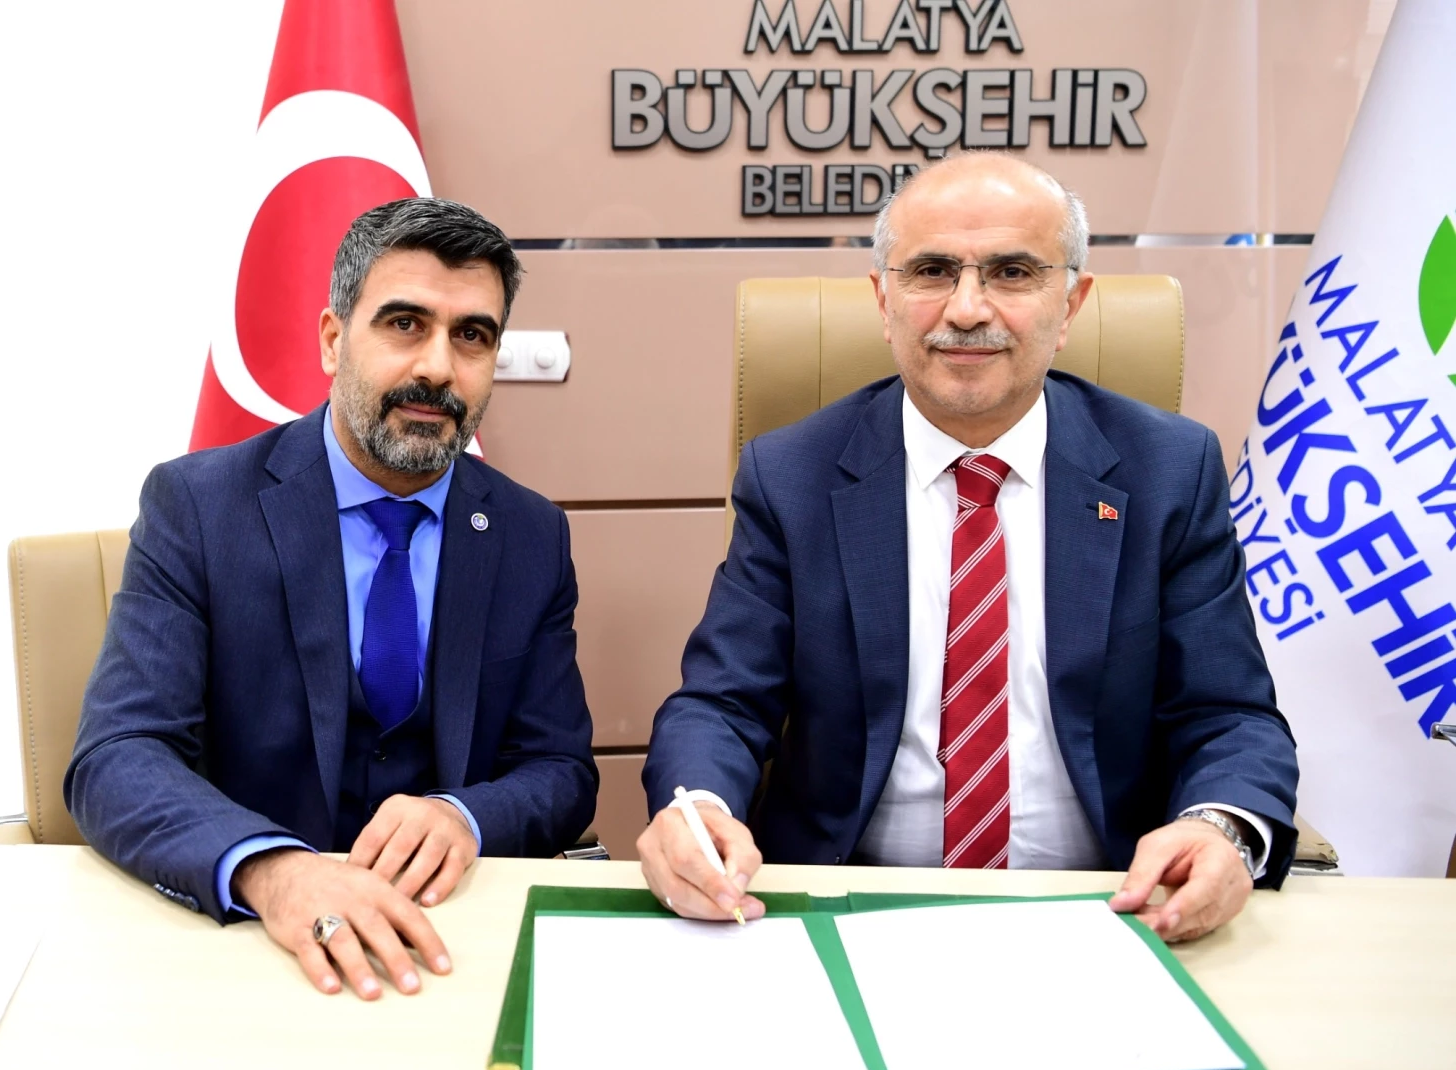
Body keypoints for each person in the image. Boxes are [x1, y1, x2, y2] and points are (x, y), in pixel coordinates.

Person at [637, 153, 1299, 943]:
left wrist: (1220, 828)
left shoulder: (1168, 471)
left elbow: (1226, 714)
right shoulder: (792, 475)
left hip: (1110, 910)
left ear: (1071, 302)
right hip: (845, 905)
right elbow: (721, 701)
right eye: (931, 272)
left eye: (1012, 273)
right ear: (883, 301)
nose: (965, 309)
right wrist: (698, 808)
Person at [67, 198, 597, 999]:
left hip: (449, 947)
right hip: (248, 945)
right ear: (331, 338)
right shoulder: (199, 508)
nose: (438, 368)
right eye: (404, 324)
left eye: (471, 336)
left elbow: (558, 769)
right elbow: (118, 755)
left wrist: (464, 815)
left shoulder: (530, 534)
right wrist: (273, 870)